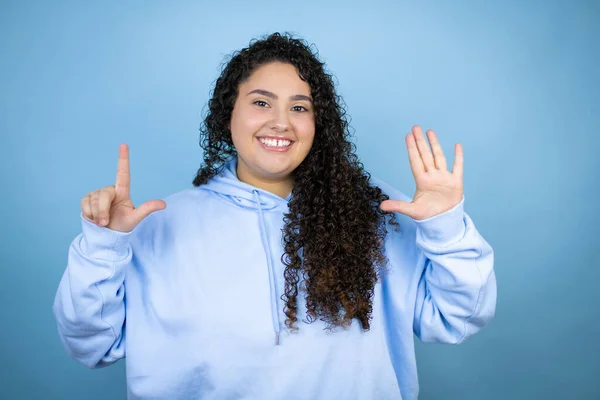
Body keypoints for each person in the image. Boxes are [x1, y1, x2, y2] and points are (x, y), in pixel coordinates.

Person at [53, 32, 497, 400]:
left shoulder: (378, 214)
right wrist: (103, 248)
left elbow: (455, 319)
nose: (281, 122)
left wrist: (445, 228)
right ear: (228, 115)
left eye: (300, 107)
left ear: (318, 125)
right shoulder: (158, 225)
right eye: (261, 102)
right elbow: (91, 345)